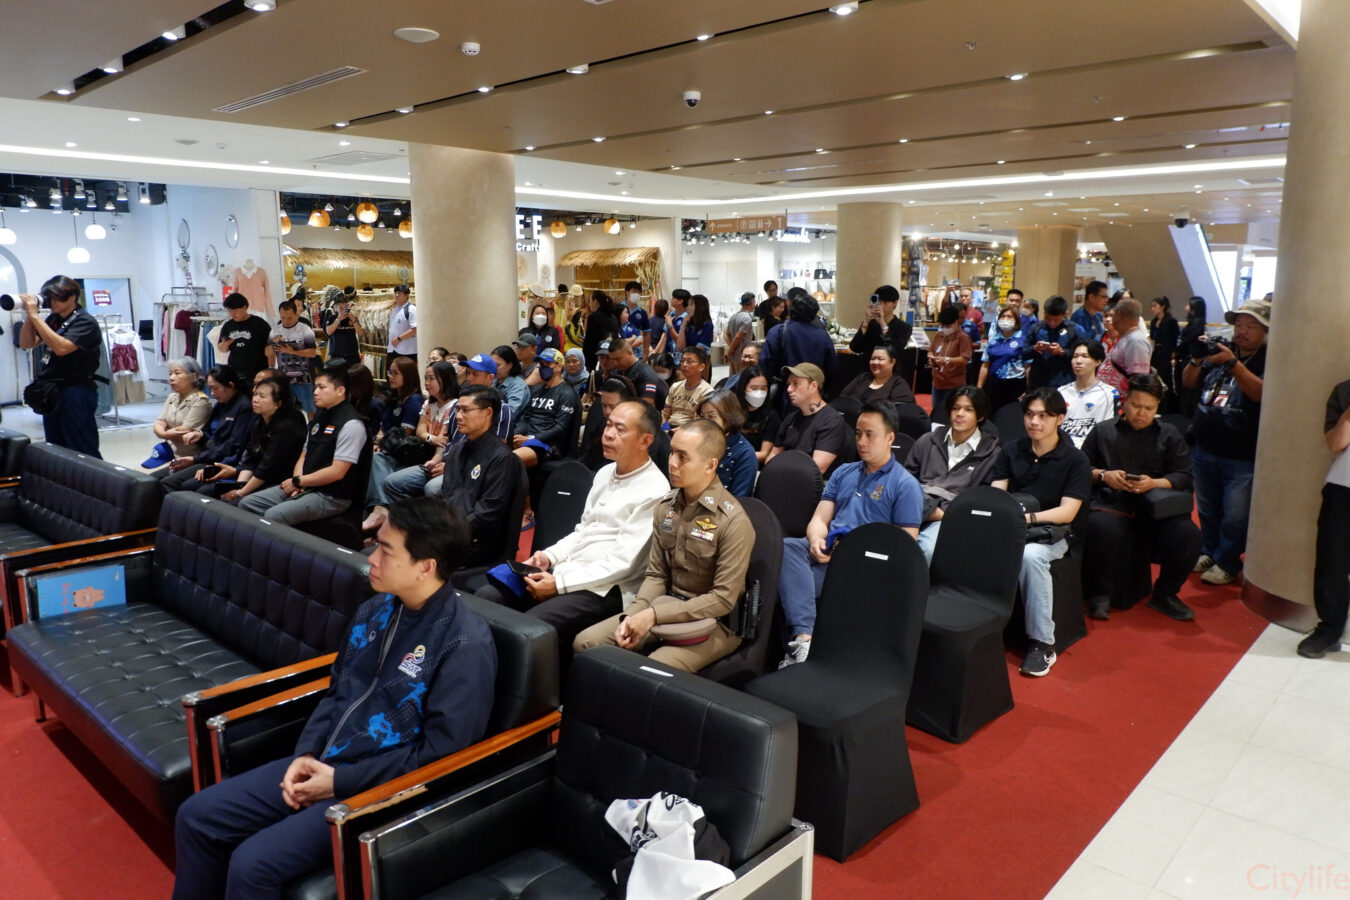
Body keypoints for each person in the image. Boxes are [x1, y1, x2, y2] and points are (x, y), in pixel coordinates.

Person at [172, 498, 496, 900]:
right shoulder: (376, 610)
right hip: (327, 763)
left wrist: (338, 782)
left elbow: (442, 755)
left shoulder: (463, 643)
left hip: (383, 792)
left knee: (252, 865)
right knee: (197, 816)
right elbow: (338, 690)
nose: (371, 558)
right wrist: (306, 754)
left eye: (385, 550)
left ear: (425, 567)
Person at [482, 400, 671, 664]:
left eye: (620, 429)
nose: (608, 433)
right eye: (608, 425)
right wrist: (549, 556)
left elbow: (623, 564)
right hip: (569, 570)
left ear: (645, 440)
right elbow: (583, 530)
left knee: (530, 626)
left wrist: (559, 584)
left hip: (606, 588)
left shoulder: (655, 490)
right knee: (489, 596)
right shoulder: (605, 472)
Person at [573, 419, 752, 673]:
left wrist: (653, 616)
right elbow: (656, 575)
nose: (672, 463)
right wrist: (633, 615)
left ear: (710, 465)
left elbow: (722, 599)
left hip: (714, 622)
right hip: (665, 605)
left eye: (683, 457)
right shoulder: (666, 507)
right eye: (671, 452)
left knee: (647, 672)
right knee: (586, 642)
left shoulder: (732, 521)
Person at [777, 401, 924, 665]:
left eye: (870, 435)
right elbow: (819, 518)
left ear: (890, 438)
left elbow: (905, 548)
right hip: (828, 549)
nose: (861, 441)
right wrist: (816, 539)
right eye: (858, 433)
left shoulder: (905, 485)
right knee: (786, 546)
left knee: (789, 583)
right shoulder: (844, 472)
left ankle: (803, 639)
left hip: (861, 562)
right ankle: (804, 642)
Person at [990, 387, 1092, 677]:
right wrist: (1007, 517)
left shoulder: (1076, 460)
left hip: (1055, 532)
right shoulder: (1012, 450)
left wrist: (1027, 518)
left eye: (1043, 416)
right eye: (1029, 415)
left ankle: (1043, 642)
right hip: (1013, 525)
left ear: (1060, 418)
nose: (1034, 421)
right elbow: (998, 494)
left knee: (1031, 556)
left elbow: (1067, 512)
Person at [1081, 374, 1200, 622]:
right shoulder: (1103, 431)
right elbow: (1081, 469)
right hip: (1111, 503)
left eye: (1149, 408)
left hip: (1155, 506)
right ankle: (1100, 594)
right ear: (1125, 401)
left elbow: (1184, 476)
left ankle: (1165, 594)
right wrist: (1104, 475)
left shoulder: (1169, 434)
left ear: (1157, 407)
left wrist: (1154, 483)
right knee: (1100, 528)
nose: (1141, 413)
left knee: (1188, 535)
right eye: (1136, 405)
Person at [1182, 298, 1268, 586]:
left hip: (1241, 453)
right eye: (1239, 325)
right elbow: (1188, 382)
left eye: (1251, 326)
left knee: (1235, 515)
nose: (1242, 331)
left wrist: (1233, 364)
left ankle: (1228, 561)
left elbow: (1261, 393)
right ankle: (1209, 551)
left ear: (1266, 330)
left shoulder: (1269, 358)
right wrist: (1196, 359)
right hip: (1205, 446)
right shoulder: (1221, 351)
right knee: (1207, 509)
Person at [239, 363, 370, 526]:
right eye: (315, 387)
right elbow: (304, 454)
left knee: (274, 515)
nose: (315, 392)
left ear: (340, 390)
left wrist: (299, 482)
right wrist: (298, 481)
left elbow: (337, 472)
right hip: (306, 484)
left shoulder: (352, 424)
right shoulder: (320, 416)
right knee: (247, 504)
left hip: (331, 495)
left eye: (321, 387)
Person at [907, 386, 1002, 562]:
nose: (959, 414)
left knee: (926, 550)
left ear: (980, 416)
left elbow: (985, 500)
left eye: (968, 410)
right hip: (915, 506)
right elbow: (905, 480)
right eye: (956, 408)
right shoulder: (928, 440)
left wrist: (944, 514)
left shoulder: (992, 454)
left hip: (952, 517)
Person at [436, 385, 521, 566]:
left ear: (488, 412)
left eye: (465, 410)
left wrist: (447, 533)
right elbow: (445, 495)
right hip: (450, 533)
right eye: (458, 409)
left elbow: (487, 514)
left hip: (475, 544)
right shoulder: (458, 449)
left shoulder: (502, 458)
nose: (459, 416)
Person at [1301, 376, 1350, 658]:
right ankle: (1329, 630)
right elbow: (1335, 443)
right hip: (1344, 487)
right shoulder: (1344, 390)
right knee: (1332, 563)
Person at [203, 376, 309, 504]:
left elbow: (267, 468)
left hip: (278, 481)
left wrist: (241, 492)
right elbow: (251, 458)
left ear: (278, 404)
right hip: (256, 476)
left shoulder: (287, 428)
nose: (255, 399)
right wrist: (239, 486)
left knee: (234, 504)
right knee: (206, 491)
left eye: (262, 396)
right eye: (255, 394)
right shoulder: (259, 421)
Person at [158, 365, 255, 493]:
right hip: (208, 455)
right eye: (210, 388)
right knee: (158, 479)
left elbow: (232, 445)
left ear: (231, 385)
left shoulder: (244, 407)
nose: (212, 393)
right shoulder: (221, 404)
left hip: (222, 460)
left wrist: (197, 460)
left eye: (216, 388)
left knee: (174, 483)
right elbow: (210, 431)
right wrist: (200, 435)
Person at [363, 357, 425, 512]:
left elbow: (403, 435)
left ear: (408, 375)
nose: (391, 376)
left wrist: (379, 441)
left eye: (396, 373)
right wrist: (376, 442)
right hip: (386, 446)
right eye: (389, 372)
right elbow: (382, 428)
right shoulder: (393, 399)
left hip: (403, 452)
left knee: (376, 458)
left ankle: (380, 507)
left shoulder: (414, 401)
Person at [768, 363, 849, 475]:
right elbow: (773, 455)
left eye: (796, 384)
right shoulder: (790, 418)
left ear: (813, 386)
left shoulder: (832, 421)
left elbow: (816, 469)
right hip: (785, 476)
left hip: (813, 483)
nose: (789, 389)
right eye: (789, 384)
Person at [759, 294, 838, 402]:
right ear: (814, 313)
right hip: (813, 392)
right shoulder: (823, 335)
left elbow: (764, 364)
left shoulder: (777, 331)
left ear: (790, 309)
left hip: (785, 392)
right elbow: (832, 368)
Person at [511, 348, 579, 469]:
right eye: (541, 364)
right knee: (496, 451)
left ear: (559, 367)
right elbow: (526, 417)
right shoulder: (537, 389)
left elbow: (560, 428)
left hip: (547, 444)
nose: (542, 367)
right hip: (527, 438)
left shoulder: (567, 394)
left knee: (507, 460)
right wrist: (516, 435)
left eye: (547, 364)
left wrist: (530, 439)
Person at [148, 357, 212, 467]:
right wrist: (164, 433)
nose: (171, 378)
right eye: (170, 374)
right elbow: (159, 422)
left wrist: (163, 432)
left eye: (177, 373)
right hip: (170, 453)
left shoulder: (201, 401)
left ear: (193, 377)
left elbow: (183, 431)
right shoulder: (173, 397)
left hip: (189, 458)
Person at [1059, 339, 1118, 448]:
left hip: (1091, 452)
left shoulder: (1109, 393)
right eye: (1075, 356)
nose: (1078, 361)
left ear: (1098, 361)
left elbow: (1109, 431)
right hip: (1064, 451)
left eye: (1085, 356)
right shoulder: (1061, 392)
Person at [698, 390, 756, 497]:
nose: (705, 422)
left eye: (711, 416)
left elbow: (739, 498)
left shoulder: (745, 453)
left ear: (728, 417)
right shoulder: (698, 441)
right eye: (702, 416)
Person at [267, 300, 319, 415]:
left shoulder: (305, 329)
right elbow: (267, 353)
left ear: (296, 314)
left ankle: (312, 427)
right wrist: (274, 343)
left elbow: (312, 353)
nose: (286, 321)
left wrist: (292, 351)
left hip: (303, 378)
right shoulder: (275, 330)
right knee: (284, 410)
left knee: (310, 409)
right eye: (283, 317)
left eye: (289, 318)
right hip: (283, 377)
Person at [1023, 295, 1080, 389]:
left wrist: (1062, 352)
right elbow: (1023, 353)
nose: (1052, 323)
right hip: (1038, 383)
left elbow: (1083, 355)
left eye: (1056, 320)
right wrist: (1034, 348)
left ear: (1065, 314)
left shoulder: (1075, 330)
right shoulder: (1036, 328)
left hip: (1064, 383)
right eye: (1048, 319)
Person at [216, 292, 272, 386]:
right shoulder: (228, 325)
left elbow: (270, 349)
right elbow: (223, 349)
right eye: (230, 311)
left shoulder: (260, 324)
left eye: (235, 311)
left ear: (245, 307)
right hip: (235, 371)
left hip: (257, 371)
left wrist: (271, 370)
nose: (232, 314)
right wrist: (225, 344)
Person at [979, 306, 1028, 412]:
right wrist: (979, 387)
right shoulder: (993, 341)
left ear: (1016, 320)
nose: (1005, 319)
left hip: (1015, 385)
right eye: (1003, 316)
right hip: (994, 385)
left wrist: (1028, 389)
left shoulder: (1023, 340)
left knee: (1012, 414)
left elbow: (1028, 366)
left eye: (1009, 317)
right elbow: (985, 365)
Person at [1098, 298, 1151, 394]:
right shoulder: (1127, 338)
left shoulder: (1136, 340)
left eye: (1113, 315)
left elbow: (1139, 380)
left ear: (1118, 315)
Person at [928, 305, 972, 420]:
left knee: (951, 415)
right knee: (936, 414)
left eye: (948, 326)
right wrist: (931, 358)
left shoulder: (963, 338)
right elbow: (931, 350)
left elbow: (964, 360)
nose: (944, 328)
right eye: (942, 325)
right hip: (937, 382)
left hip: (954, 385)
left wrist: (947, 360)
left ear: (957, 322)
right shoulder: (939, 335)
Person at [841, 343, 918, 407]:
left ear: (893, 362)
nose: (875, 362)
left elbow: (902, 412)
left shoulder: (899, 385)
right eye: (873, 359)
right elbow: (843, 397)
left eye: (880, 359)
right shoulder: (863, 377)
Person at [850, 284, 913, 360]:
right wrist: (866, 322)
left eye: (885, 302)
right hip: (869, 365)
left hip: (890, 367)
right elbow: (855, 348)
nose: (881, 306)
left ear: (895, 303)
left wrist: (882, 324)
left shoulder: (904, 327)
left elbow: (896, 349)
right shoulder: (870, 324)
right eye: (879, 302)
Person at [733, 364, 780, 465]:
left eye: (763, 388)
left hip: (751, 465)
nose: (759, 393)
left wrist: (736, 457)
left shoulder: (771, 417)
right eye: (754, 388)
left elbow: (764, 454)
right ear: (743, 388)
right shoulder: (732, 410)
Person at [608, 337, 669, 410]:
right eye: (612, 359)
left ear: (629, 353)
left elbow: (646, 406)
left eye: (618, 359)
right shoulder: (615, 371)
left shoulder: (646, 373)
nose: (615, 363)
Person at [664, 346, 713, 428]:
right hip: (669, 427)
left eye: (690, 361)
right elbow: (665, 414)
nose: (684, 365)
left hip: (689, 430)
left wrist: (671, 432)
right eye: (682, 361)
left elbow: (697, 424)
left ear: (701, 367)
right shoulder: (675, 386)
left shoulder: (707, 392)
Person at [1175, 297, 1208, 415]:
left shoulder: (1197, 323)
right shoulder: (1195, 322)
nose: (1186, 307)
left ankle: (1186, 411)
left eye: (1189, 305)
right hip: (1188, 356)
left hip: (1191, 357)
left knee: (1188, 386)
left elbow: (1187, 340)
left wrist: (1177, 350)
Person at [320, 291, 363, 364]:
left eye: (346, 307)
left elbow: (361, 333)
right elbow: (329, 332)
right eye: (341, 307)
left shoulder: (353, 318)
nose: (344, 309)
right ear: (335, 308)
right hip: (337, 355)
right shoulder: (332, 318)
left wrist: (354, 320)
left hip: (352, 354)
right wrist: (338, 319)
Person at [1149, 296, 1180, 396]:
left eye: (1155, 306)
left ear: (1162, 307)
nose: (1152, 308)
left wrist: (1173, 354)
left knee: (1166, 379)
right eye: (1151, 306)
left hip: (1167, 354)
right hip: (1156, 353)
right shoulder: (1153, 322)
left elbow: (1174, 339)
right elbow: (1153, 338)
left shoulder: (1171, 321)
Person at [583, 291, 620, 371]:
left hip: (599, 358)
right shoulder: (613, 317)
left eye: (590, 301)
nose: (589, 304)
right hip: (613, 357)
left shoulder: (593, 317)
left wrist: (586, 361)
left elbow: (589, 342)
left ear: (595, 301)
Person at [490, 345, 529, 417]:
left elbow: (510, 413)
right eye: (492, 365)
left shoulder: (518, 386)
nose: (493, 368)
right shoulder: (495, 380)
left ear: (509, 365)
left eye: (497, 365)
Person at [725, 292, 758, 375]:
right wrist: (731, 350)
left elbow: (726, 334)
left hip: (734, 354)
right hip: (743, 354)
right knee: (742, 377)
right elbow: (739, 336)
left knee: (733, 376)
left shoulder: (733, 317)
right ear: (750, 304)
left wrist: (731, 348)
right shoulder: (747, 318)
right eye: (754, 303)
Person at [386, 284, 417, 364]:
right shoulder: (394, 309)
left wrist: (399, 339)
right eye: (395, 293)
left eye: (399, 293)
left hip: (407, 351)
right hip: (393, 349)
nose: (396, 295)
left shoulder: (411, 309)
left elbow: (415, 329)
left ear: (407, 295)